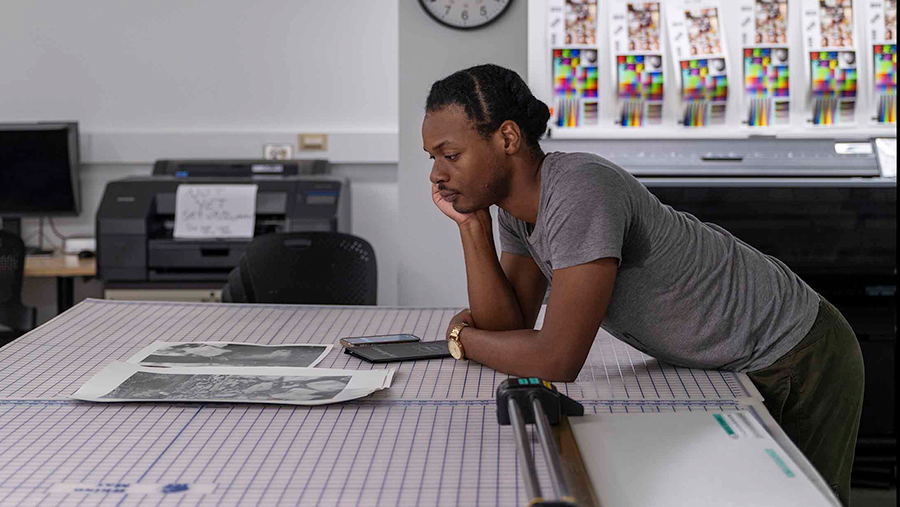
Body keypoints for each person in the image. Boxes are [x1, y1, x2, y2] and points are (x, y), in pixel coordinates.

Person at [422, 64, 863, 505]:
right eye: (433, 159)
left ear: (508, 138)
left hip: (795, 352)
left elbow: (555, 359)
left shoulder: (578, 190)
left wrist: (463, 338)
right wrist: (470, 229)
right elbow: (507, 330)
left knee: (804, 500)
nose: (437, 175)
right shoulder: (516, 210)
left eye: (451, 155)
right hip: (734, 360)